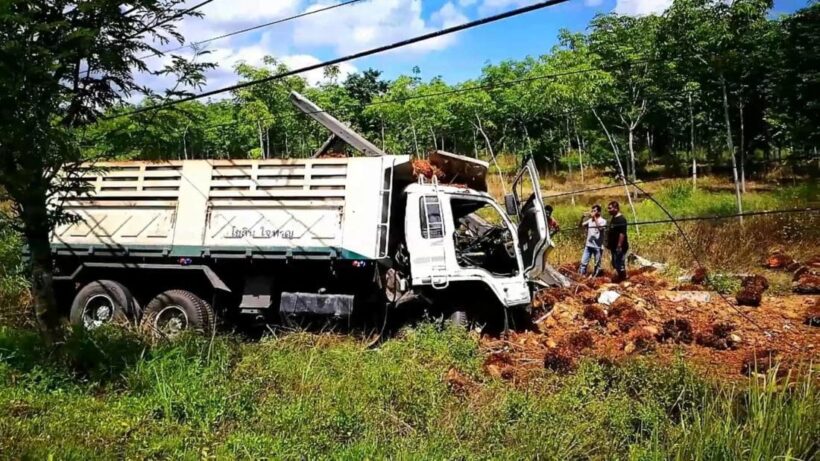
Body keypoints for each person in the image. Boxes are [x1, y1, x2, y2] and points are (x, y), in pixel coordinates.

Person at [578, 204, 606, 276]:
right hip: (588, 245)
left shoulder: (603, 221)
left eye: (595, 211)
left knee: (597, 264)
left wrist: (594, 218)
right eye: (592, 210)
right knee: (583, 263)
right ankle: (581, 276)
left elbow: (600, 228)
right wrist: (582, 217)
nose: (593, 212)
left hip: (597, 246)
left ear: (599, 212)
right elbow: (580, 226)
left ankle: (595, 277)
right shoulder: (590, 220)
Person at [606, 201, 629, 281]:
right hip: (613, 246)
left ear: (616, 208)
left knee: (620, 264)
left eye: (610, 208)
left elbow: (622, 234)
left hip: (620, 247)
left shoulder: (621, 219)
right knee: (614, 263)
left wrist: (619, 246)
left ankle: (624, 279)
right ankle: (620, 278)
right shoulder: (614, 218)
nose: (608, 210)